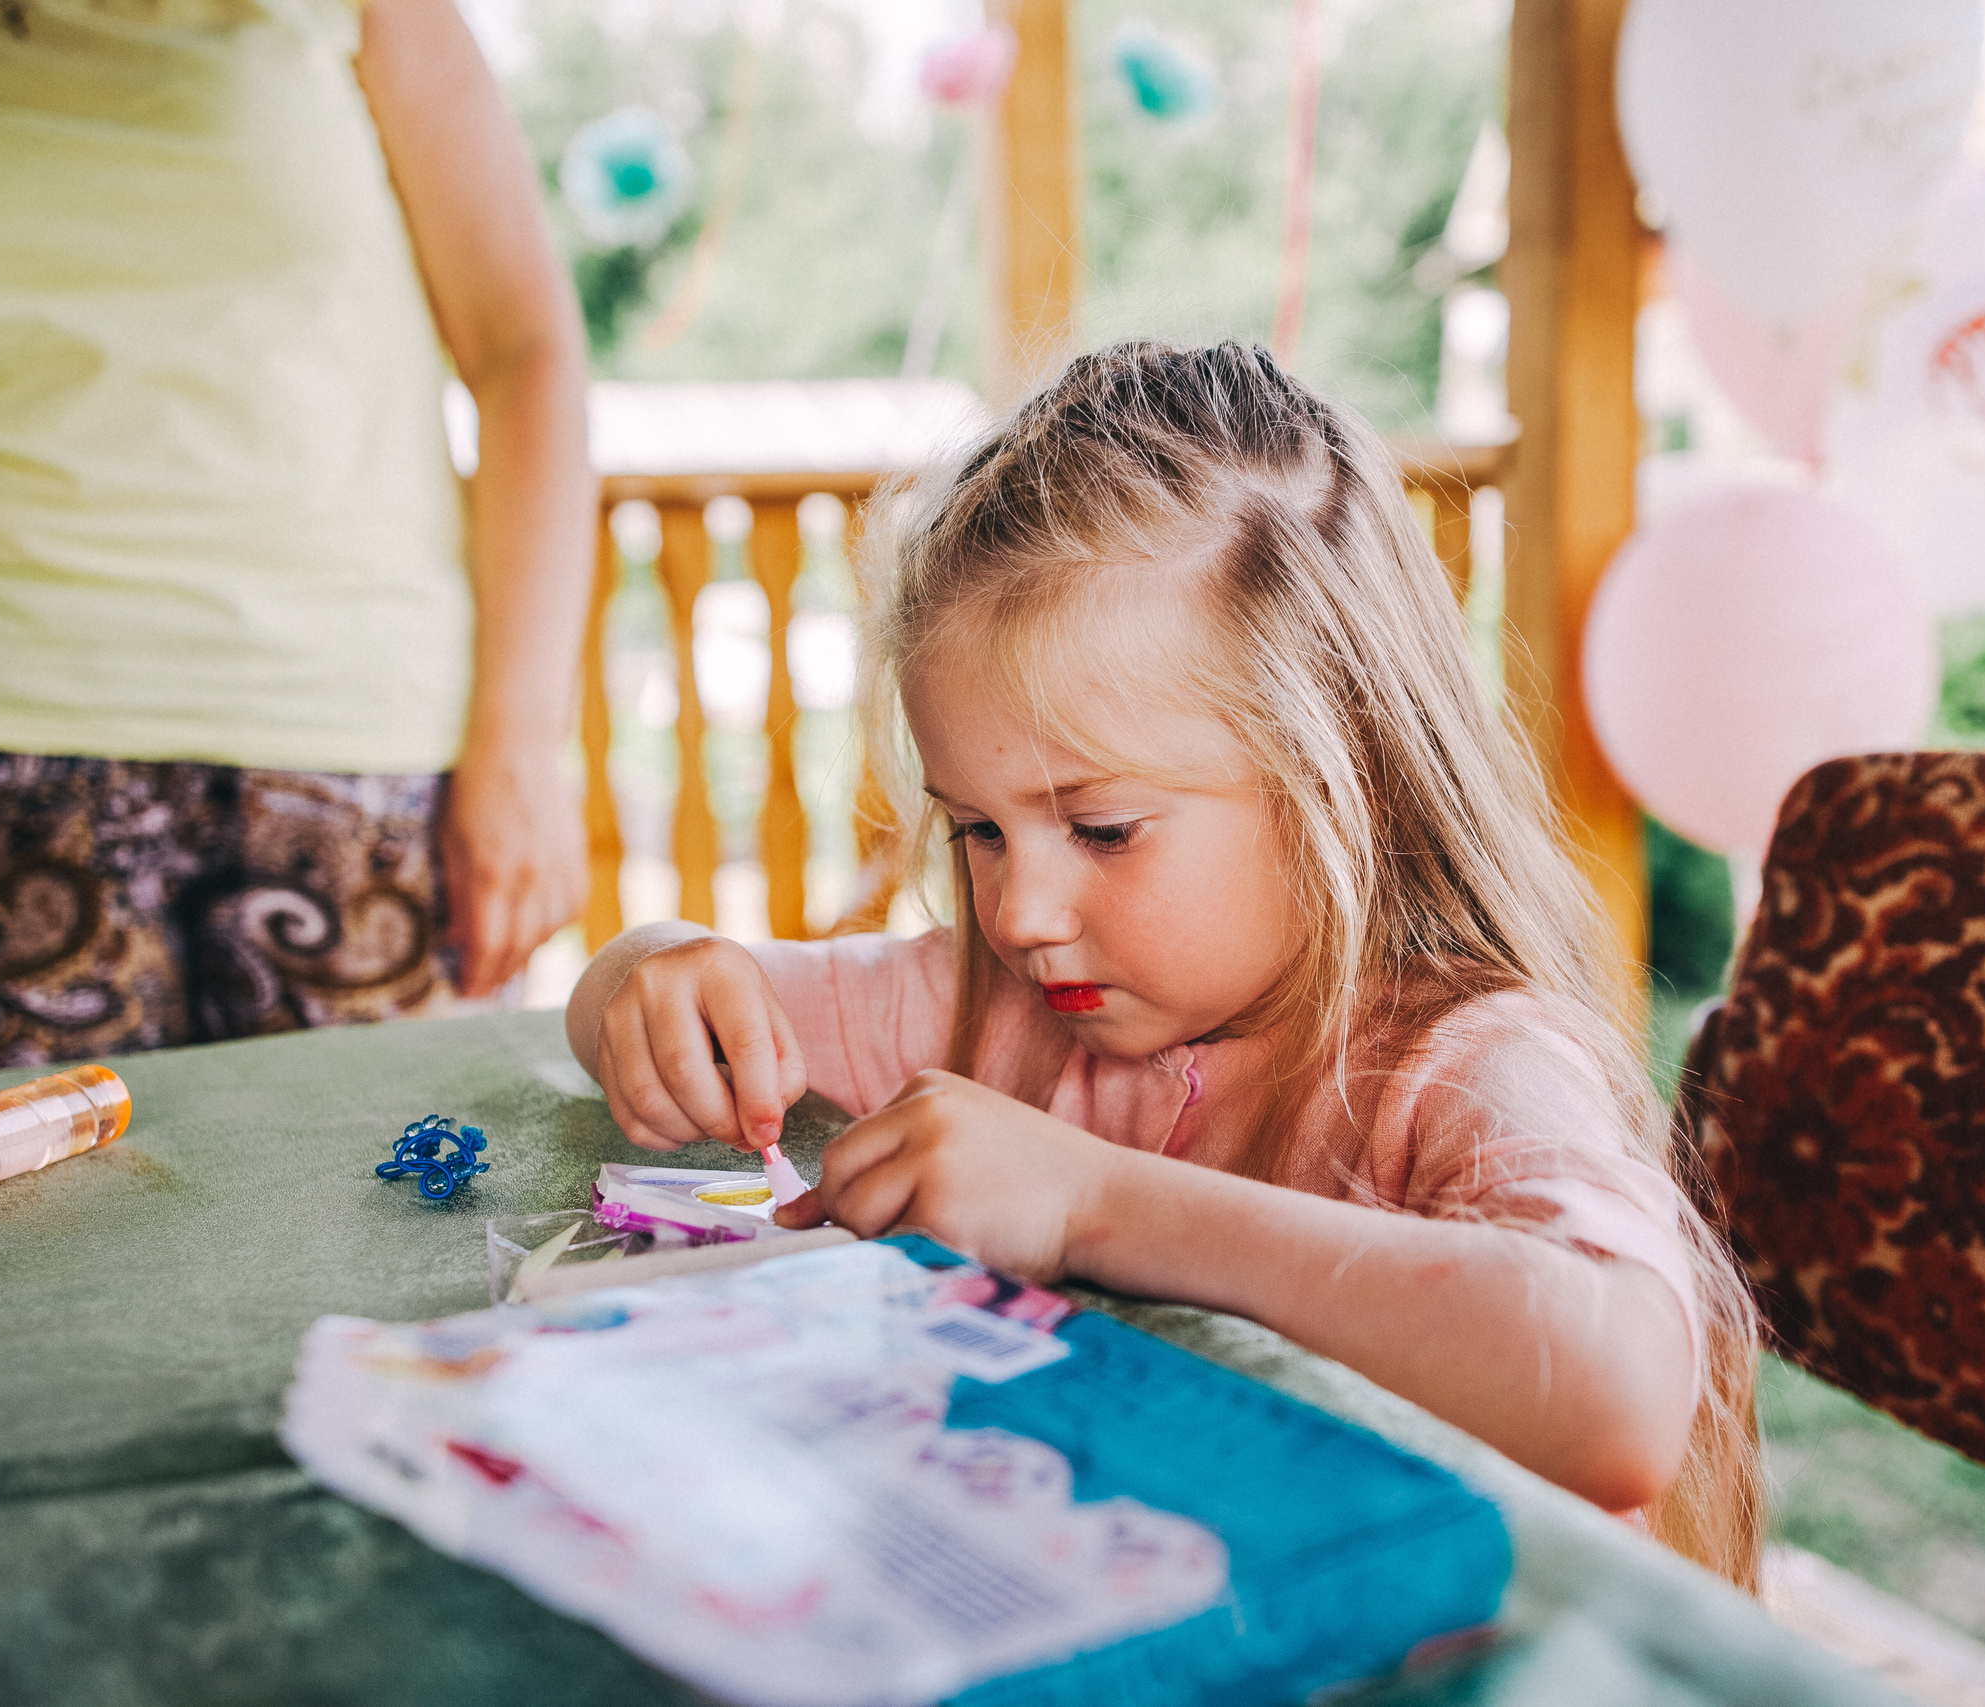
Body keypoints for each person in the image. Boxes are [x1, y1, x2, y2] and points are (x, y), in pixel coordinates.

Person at [566, 342, 1763, 1584]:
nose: (1019, 911)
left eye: (1100, 830)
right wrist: (655, 970)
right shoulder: (997, 1006)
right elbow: (691, 1004)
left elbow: (1615, 1392)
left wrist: (1092, 1204)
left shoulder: (1464, 1065)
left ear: (1336, 780)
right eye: (979, 829)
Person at [0, 0, 592, 1087]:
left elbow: (525, 351)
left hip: (349, 749)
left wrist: (521, 748)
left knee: (400, 1231)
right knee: (10, 1253)